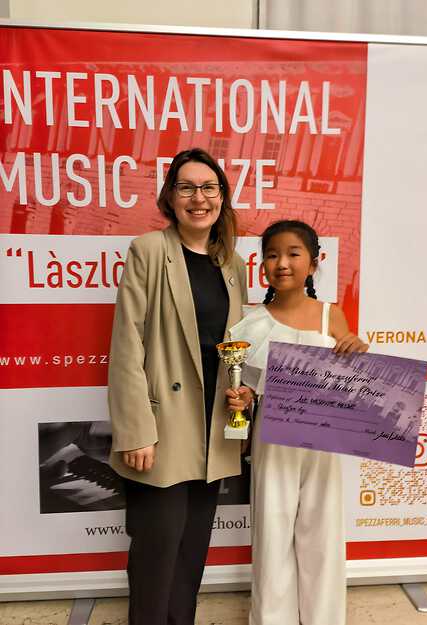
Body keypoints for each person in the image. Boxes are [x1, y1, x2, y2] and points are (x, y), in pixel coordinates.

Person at [108, 148, 249, 625]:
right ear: (170, 196)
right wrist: (136, 431)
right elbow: (127, 344)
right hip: (162, 427)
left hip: (213, 426)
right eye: (187, 187)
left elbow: (238, 348)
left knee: (191, 555)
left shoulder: (232, 263)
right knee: (157, 552)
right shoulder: (149, 250)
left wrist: (243, 401)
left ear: (222, 197)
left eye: (209, 187)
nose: (199, 198)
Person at [228, 220, 368, 625]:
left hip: (323, 442)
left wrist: (358, 351)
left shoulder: (330, 317)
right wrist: (242, 400)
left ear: (314, 263)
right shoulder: (250, 323)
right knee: (272, 533)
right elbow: (244, 388)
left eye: (293, 254)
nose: (282, 263)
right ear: (262, 265)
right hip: (273, 440)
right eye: (272, 255)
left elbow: (353, 386)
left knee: (323, 534)